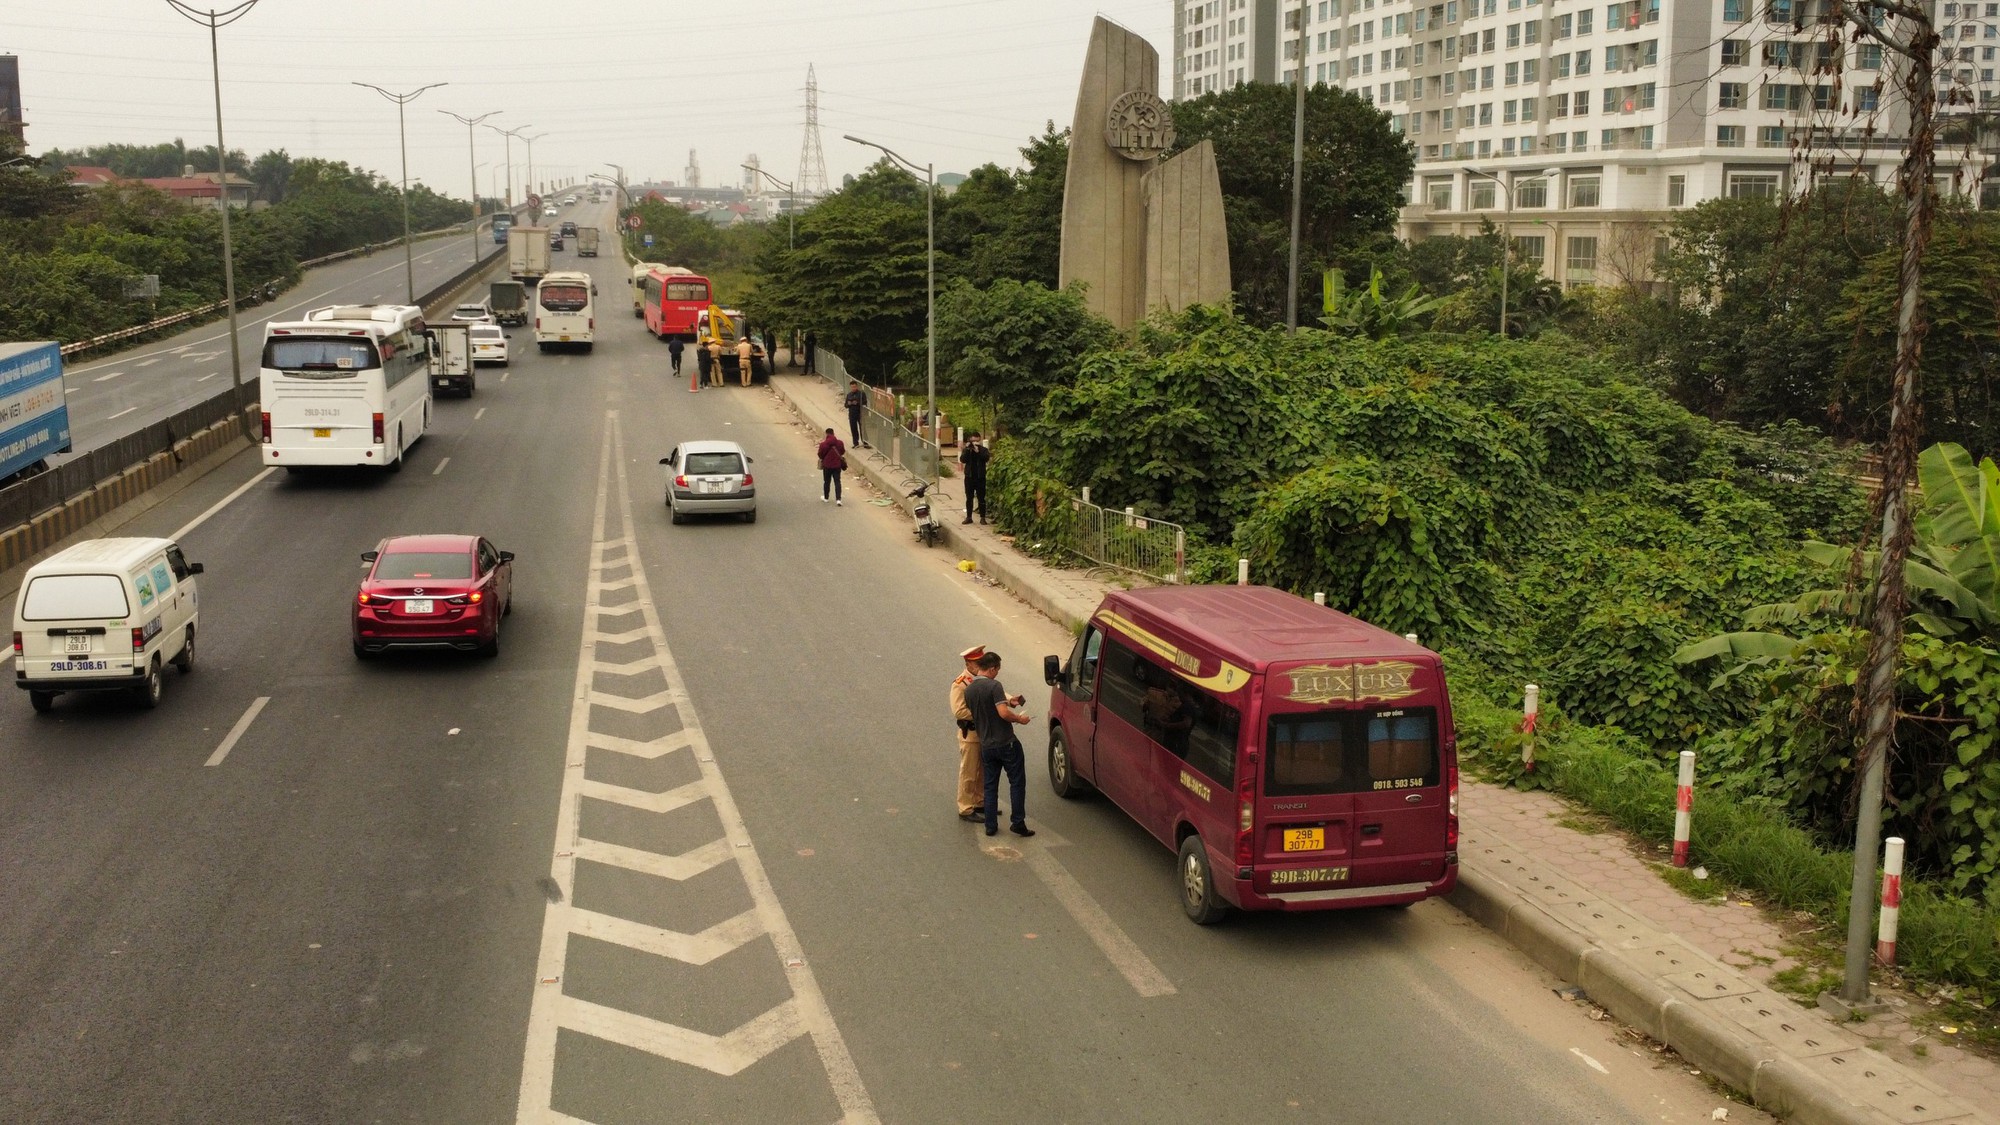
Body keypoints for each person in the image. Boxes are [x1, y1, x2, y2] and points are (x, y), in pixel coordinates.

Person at [964, 651, 1033, 837]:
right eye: (998, 669)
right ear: (992, 668)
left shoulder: (968, 690)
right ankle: (1018, 822)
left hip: (986, 744)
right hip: (1006, 743)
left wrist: (1009, 700)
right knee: (1017, 783)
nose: (998, 673)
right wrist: (1019, 719)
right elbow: (1002, 713)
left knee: (990, 785)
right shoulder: (994, 686)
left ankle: (990, 825)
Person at [949, 645, 989, 823]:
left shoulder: (980, 679)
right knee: (969, 772)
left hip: (983, 732)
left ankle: (979, 801)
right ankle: (965, 807)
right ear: (968, 664)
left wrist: (1009, 700)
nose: (980, 665)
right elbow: (959, 711)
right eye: (977, 662)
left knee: (983, 770)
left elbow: (994, 692)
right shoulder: (960, 684)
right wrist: (983, 713)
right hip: (970, 733)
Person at [959, 431, 990, 525]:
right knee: (969, 497)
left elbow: (986, 458)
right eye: (973, 441)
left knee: (981, 497)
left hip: (980, 477)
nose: (975, 443)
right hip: (969, 477)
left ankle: (982, 517)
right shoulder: (967, 449)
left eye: (976, 441)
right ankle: (969, 517)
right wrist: (968, 450)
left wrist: (978, 451)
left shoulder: (983, 450)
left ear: (979, 440)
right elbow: (962, 460)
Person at [816, 427, 846, 505]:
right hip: (837, 466)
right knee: (837, 482)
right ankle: (838, 499)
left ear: (826, 434)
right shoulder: (840, 443)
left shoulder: (823, 444)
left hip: (827, 466)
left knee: (827, 482)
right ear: (833, 433)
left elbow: (820, 454)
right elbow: (842, 451)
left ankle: (826, 498)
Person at [843, 381, 869, 449]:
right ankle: (855, 443)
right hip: (852, 414)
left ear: (857, 386)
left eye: (854, 387)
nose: (853, 388)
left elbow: (865, 402)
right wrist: (849, 404)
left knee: (862, 428)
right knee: (853, 428)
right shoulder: (849, 395)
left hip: (860, 413)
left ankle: (865, 442)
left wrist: (857, 402)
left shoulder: (861, 393)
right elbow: (845, 405)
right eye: (852, 387)